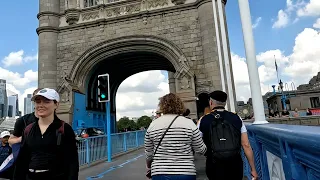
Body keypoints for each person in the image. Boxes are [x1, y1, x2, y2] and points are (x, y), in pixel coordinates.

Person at [13, 88, 79, 180]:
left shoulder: (64, 128)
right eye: (38, 101)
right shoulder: (28, 129)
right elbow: (22, 160)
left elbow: (72, 161)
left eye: (46, 101)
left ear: (56, 104)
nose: (41, 105)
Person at [145, 93, 206, 180]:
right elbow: (200, 150)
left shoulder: (153, 125)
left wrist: (148, 167)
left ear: (162, 106)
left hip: (160, 172)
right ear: (180, 105)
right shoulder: (189, 123)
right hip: (186, 172)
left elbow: (149, 154)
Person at [198, 90, 258, 180]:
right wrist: (253, 169)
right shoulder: (236, 118)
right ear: (225, 103)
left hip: (214, 164)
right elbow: (246, 145)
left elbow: (197, 143)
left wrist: (207, 153)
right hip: (235, 163)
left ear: (210, 102)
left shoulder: (203, 120)